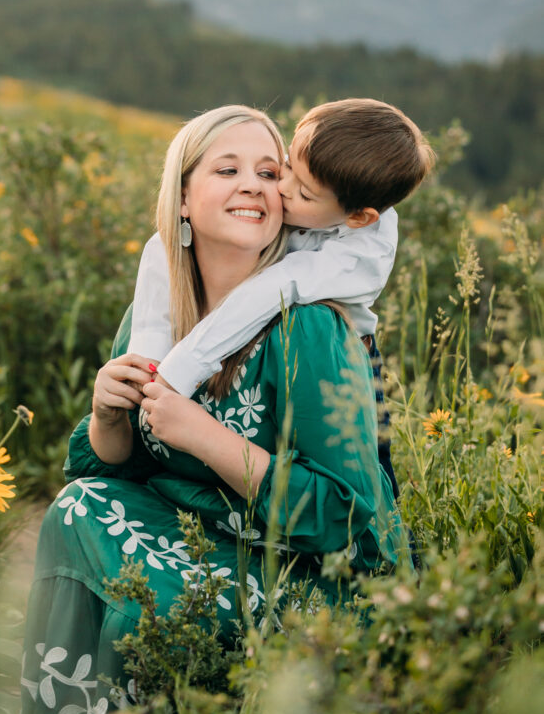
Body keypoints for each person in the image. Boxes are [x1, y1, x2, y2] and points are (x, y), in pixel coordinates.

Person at [18, 105, 404, 714]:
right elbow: (113, 463)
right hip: (200, 532)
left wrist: (206, 436)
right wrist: (109, 410)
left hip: (301, 572)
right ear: (184, 198)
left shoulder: (310, 325)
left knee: (154, 596)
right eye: (227, 170)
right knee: (78, 509)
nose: (255, 185)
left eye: (270, 170)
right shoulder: (158, 310)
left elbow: (348, 518)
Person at [129, 97, 435, 498]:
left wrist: (177, 372)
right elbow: (165, 247)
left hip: (333, 359)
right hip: (255, 329)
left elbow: (275, 289)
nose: (282, 191)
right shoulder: (324, 181)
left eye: (304, 194)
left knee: (368, 488)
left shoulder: (360, 256)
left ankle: (383, 558)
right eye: (286, 167)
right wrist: (145, 371)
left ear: (359, 217)